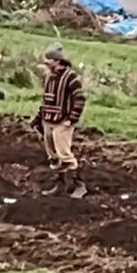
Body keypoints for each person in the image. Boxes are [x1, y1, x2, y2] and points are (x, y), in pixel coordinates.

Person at [37, 45, 86, 198]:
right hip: (48, 120)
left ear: (57, 61)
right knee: (53, 155)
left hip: (62, 121)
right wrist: (39, 117)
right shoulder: (47, 77)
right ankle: (60, 185)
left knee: (64, 154)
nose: (45, 62)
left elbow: (79, 98)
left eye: (49, 59)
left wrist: (72, 119)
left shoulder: (70, 77)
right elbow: (46, 99)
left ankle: (79, 186)